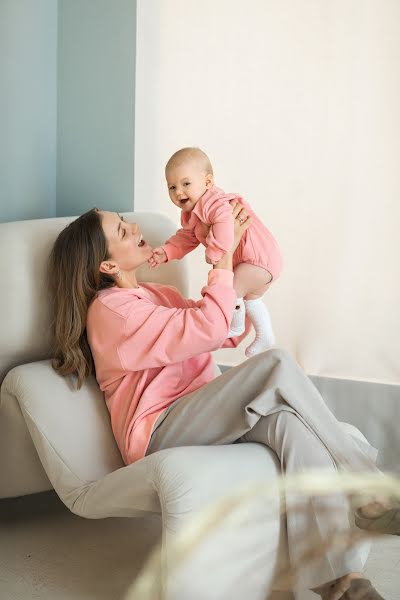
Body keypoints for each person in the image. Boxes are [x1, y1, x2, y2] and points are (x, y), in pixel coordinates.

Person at [49, 204, 397, 599]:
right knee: (277, 363)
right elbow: (207, 327)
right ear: (107, 266)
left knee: (287, 423)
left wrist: (242, 266)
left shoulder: (158, 294)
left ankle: (339, 582)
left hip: (203, 413)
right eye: (122, 231)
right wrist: (222, 262)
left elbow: (225, 332)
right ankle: (365, 487)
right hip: (160, 430)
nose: (134, 227)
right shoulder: (112, 311)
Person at [149, 147, 283, 357]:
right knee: (252, 300)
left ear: (208, 183)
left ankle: (234, 327)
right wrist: (167, 252)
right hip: (259, 263)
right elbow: (186, 238)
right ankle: (265, 334)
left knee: (230, 290)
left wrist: (216, 251)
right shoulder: (192, 214)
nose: (178, 192)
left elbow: (224, 221)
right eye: (171, 187)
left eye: (186, 184)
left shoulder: (214, 202)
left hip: (257, 259)